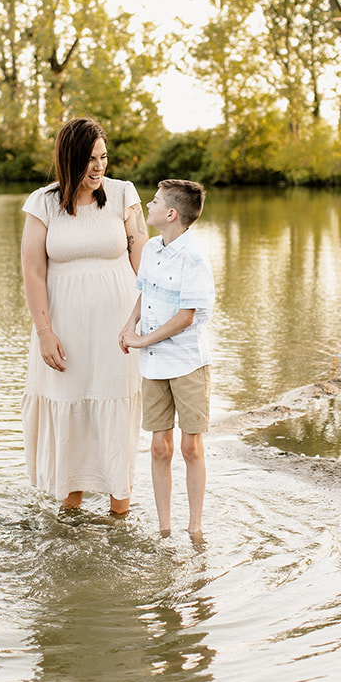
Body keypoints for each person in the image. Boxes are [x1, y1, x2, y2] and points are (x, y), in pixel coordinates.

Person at [21, 117, 148, 514]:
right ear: (69, 160)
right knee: (70, 407)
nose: (98, 167)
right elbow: (33, 271)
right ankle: (70, 517)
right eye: (89, 159)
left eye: (103, 157)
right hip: (65, 332)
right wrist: (44, 332)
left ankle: (119, 517)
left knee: (114, 408)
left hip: (118, 334)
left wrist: (146, 321)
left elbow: (145, 264)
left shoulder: (124, 195)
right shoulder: (43, 203)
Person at [118, 180, 213, 536]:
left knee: (190, 446)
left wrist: (142, 340)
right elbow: (145, 294)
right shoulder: (152, 251)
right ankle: (164, 527)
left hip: (188, 364)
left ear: (171, 214)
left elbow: (186, 316)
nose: (149, 204)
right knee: (160, 446)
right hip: (154, 365)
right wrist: (129, 326)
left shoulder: (194, 259)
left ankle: (195, 526)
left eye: (155, 201)